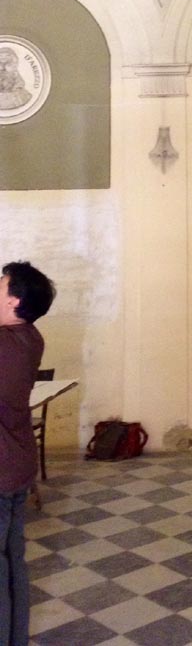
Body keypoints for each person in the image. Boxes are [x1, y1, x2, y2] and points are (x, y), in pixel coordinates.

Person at [0, 261, 56, 646]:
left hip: (2, 468)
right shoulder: (30, 337)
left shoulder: (6, 343)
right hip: (17, 464)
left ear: (14, 300)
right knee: (12, 562)